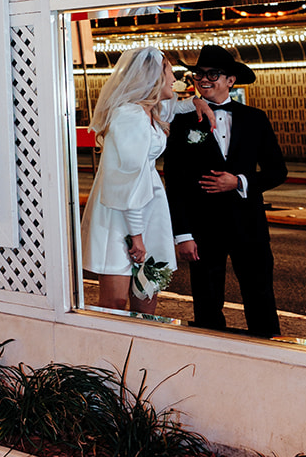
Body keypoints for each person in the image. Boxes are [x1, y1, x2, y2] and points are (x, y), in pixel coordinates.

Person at [164, 45, 287, 338]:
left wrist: (240, 181)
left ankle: (269, 356)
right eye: (199, 74)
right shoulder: (181, 121)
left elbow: (277, 171)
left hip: (249, 225)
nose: (204, 80)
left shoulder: (255, 118)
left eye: (212, 74)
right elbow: (175, 181)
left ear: (231, 80)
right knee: (206, 303)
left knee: (260, 297)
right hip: (203, 228)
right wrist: (183, 234)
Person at [81, 46, 210, 315]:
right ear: (153, 78)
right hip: (120, 210)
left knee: (147, 293)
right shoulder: (129, 116)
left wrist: (195, 102)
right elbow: (127, 179)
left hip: (148, 203)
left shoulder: (151, 110)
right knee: (115, 302)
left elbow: (172, 107)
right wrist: (136, 235)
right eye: (170, 73)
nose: (174, 79)